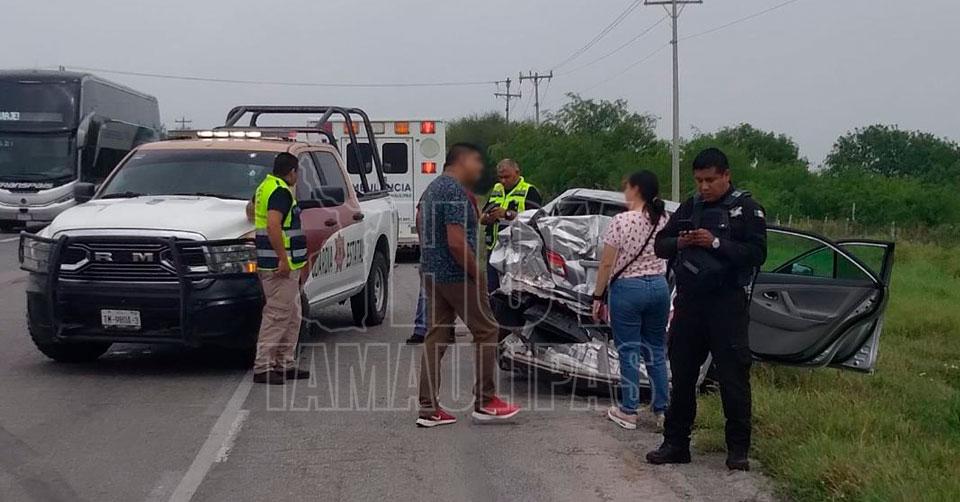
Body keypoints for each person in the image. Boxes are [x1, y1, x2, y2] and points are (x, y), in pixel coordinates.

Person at [645, 148, 767, 471]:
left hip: (727, 304)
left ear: (726, 175)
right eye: (699, 180)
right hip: (690, 305)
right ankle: (676, 443)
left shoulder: (747, 209)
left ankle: (737, 450)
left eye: (710, 180)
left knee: (733, 378)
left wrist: (714, 242)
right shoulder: (691, 206)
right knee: (682, 376)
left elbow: (757, 254)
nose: (704, 187)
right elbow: (660, 245)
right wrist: (683, 242)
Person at [416, 143, 521, 427]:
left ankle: (428, 408)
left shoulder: (432, 189)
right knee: (487, 330)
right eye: (476, 161)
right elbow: (455, 240)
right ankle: (485, 401)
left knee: (436, 336)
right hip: (458, 274)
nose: (480, 168)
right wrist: (477, 272)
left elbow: (419, 220)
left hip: (433, 273)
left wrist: (430, 258)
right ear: (461, 161)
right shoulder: (454, 191)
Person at [591, 170, 670, 431]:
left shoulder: (621, 221)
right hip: (659, 287)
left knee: (629, 350)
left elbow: (606, 263)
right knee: (656, 349)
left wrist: (598, 296)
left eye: (626, 187)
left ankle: (629, 410)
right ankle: (663, 410)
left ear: (635, 189)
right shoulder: (663, 219)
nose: (624, 192)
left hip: (628, 289)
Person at [249, 152, 311, 385]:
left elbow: (251, 211)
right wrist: (283, 259)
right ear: (292, 172)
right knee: (276, 316)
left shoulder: (265, 187)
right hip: (279, 267)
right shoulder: (281, 192)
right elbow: (273, 226)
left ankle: (284, 363)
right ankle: (263, 367)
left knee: (292, 316)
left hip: (279, 264)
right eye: (297, 172)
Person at [480, 159, 542, 293]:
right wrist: (488, 218)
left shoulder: (529, 191)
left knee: (514, 291)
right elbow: (482, 217)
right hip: (494, 249)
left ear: (517, 173)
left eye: (507, 177)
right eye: (500, 177)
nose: (503, 181)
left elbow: (536, 220)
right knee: (493, 290)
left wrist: (507, 214)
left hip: (517, 252)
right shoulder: (497, 190)